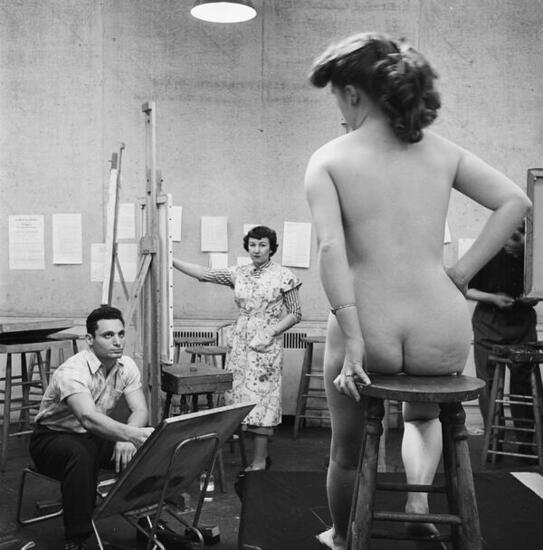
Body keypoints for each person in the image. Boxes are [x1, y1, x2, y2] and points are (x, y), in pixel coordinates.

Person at [304, 32, 531, 550]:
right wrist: (461, 274)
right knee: (425, 417)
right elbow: (515, 202)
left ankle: (341, 535)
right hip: (440, 323)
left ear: (353, 93)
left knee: (346, 450)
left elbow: (331, 251)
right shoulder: (442, 151)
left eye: (336, 96)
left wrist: (355, 340)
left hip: (368, 322)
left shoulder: (329, 159)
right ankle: (418, 504)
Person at [173, 225, 302, 470]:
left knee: (263, 400)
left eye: (262, 245)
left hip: (266, 342)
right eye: (252, 245)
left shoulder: (284, 276)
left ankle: (259, 461)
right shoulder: (238, 273)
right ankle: (240, 454)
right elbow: (204, 273)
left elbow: (296, 313)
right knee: (236, 397)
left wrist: (271, 332)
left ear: (271, 248)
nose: (257, 249)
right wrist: (171, 260)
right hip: (240, 342)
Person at [30, 306, 154, 550]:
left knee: (147, 447)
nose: (117, 341)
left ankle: (150, 527)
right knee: (80, 455)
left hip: (92, 435)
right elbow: (88, 417)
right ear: (90, 339)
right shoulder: (72, 371)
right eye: (108, 335)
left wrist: (127, 438)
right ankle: (77, 539)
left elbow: (140, 410)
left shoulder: (126, 365)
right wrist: (131, 434)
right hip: (52, 439)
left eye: (120, 334)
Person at [467, 222, 539, 454]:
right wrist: (493, 298)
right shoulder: (488, 250)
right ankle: (493, 442)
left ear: (528, 238)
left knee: (523, 383)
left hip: (521, 322)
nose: (509, 244)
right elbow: (465, 287)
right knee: (486, 383)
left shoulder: (535, 257)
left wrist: (534, 297)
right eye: (506, 237)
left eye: (515, 239)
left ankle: (526, 444)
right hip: (489, 322)